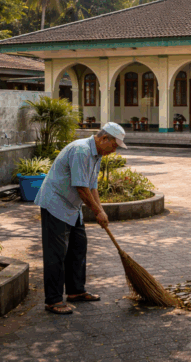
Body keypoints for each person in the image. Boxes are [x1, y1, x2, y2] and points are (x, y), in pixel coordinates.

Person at [34, 123, 127, 315]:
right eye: (114, 146)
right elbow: (81, 187)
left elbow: (92, 187)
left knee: (78, 248)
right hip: (56, 204)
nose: (114, 150)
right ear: (103, 139)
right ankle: (53, 300)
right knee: (56, 254)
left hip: (72, 208)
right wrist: (96, 211)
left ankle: (76, 291)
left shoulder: (98, 155)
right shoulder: (81, 151)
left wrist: (101, 210)